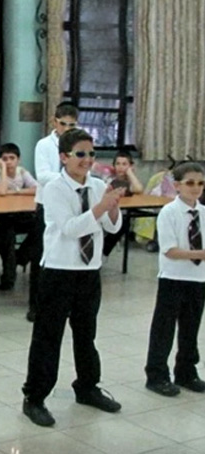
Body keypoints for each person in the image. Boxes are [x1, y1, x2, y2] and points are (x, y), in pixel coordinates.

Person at [22, 128, 125, 428]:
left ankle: (88, 387)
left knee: (86, 333)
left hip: (88, 272)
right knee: (48, 337)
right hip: (58, 271)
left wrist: (113, 209)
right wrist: (101, 207)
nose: (87, 160)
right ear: (64, 157)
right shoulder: (54, 188)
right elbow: (69, 228)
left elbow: (111, 227)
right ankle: (35, 397)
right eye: (80, 154)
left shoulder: (97, 185)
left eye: (92, 154)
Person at [144, 162, 205, 397]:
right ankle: (157, 374)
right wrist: (200, 254)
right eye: (190, 183)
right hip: (173, 278)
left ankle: (186, 371)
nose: (196, 188)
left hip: (198, 279)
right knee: (164, 328)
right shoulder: (169, 212)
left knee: (191, 327)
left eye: (200, 183)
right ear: (177, 185)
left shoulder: (203, 212)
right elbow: (170, 250)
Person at [28, 102, 79, 322]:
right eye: (63, 124)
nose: (66, 128)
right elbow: (43, 175)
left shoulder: (79, 145)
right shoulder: (44, 145)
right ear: (54, 122)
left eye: (72, 125)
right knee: (42, 257)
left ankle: (63, 304)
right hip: (46, 206)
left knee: (67, 255)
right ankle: (36, 306)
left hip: (71, 206)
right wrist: (70, 177)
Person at [0, 143, 38, 290]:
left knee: (39, 226)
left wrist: (17, 191)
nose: (9, 161)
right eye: (5, 159)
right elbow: (2, 191)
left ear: (18, 159)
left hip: (20, 214)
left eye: (12, 158)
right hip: (0, 217)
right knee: (6, 234)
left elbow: (37, 188)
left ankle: (20, 258)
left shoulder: (22, 172)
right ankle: (8, 276)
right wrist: (3, 169)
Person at [102, 149, 144, 257]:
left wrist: (129, 172)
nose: (121, 167)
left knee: (124, 223)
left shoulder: (129, 182)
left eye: (124, 164)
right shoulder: (110, 180)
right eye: (118, 164)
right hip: (105, 211)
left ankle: (103, 252)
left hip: (121, 213)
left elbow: (138, 189)